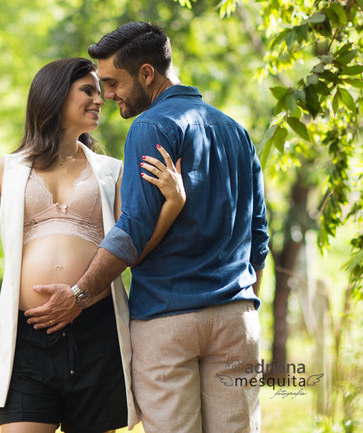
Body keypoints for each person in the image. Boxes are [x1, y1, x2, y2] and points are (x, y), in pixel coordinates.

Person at [23, 22, 269, 433]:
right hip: (236, 317)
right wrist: (239, 302)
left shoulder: (151, 127)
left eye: (113, 83)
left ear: (147, 74)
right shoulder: (237, 132)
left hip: (167, 320)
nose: (108, 95)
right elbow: (258, 234)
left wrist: (81, 294)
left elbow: (134, 227)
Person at [0, 57, 185, 433]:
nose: (100, 99)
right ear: (56, 95)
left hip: (97, 334)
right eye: (88, 91)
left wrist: (172, 205)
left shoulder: (112, 172)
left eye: (100, 91)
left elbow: (135, 250)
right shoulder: (5, 171)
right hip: (27, 340)